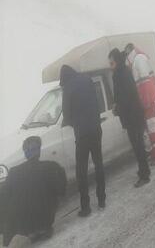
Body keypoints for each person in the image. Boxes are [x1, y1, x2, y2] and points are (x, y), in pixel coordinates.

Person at [1, 136, 66, 247]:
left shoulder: (13, 172)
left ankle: (27, 229)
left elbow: (4, 198)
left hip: (20, 227)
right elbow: (61, 191)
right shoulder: (52, 166)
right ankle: (42, 228)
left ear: (25, 153)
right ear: (39, 151)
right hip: (44, 220)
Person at [60, 65, 105, 217]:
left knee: (82, 171)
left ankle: (86, 207)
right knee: (99, 164)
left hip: (82, 134)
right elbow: (96, 101)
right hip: (96, 129)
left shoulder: (67, 88)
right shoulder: (87, 79)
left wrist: (75, 122)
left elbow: (66, 115)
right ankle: (102, 200)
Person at [109, 48, 151, 188]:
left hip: (132, 116)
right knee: (137, 146)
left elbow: (126, 97)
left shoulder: (121, 74)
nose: (110, 66)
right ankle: (143, 170)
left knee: (138, 146)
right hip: (133, 115)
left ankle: (145, 175)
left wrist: (117, 108)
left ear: (117, 61)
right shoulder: (123, 71)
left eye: (111, 63)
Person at [125, 43, 155, 166]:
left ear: (129, 53)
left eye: (126, 54)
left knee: (152, 127)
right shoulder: (138, 59)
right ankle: (154, 153)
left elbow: (145, 82)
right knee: (150, 127)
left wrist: (146, 101)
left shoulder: (138, 60)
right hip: (149, 99)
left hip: (149, 100)